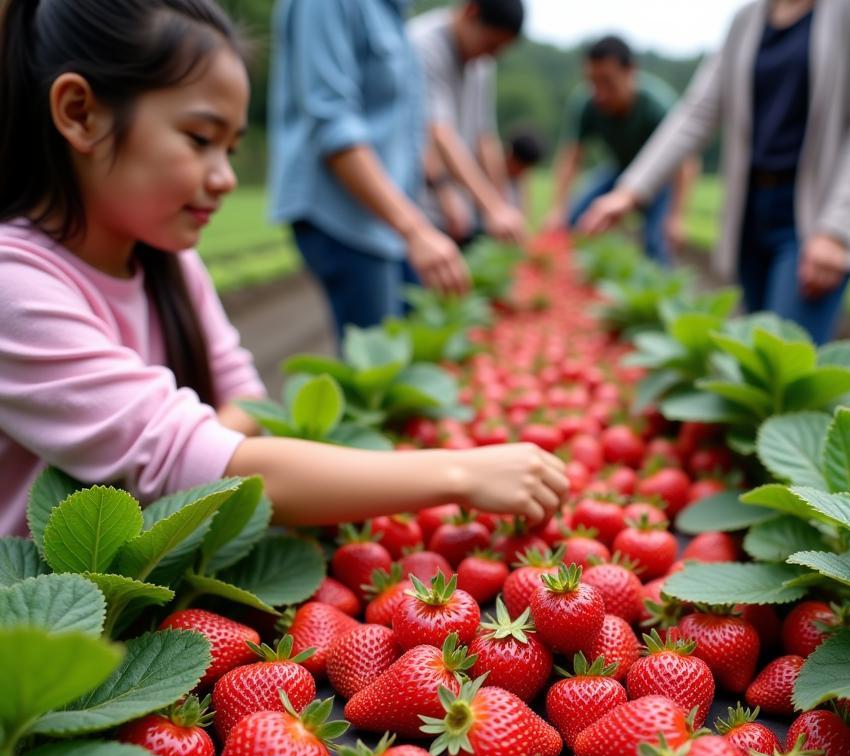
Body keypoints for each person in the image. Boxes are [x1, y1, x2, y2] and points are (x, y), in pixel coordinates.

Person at [0, 0, 569, 541]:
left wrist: (203, 453)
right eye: (199, 139)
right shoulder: (15, 284)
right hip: (45, 622)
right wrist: (458, 475)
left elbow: (245, 400)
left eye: (230, 147)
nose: (224, 176)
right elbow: (190, 460)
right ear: (80, 113)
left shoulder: (169, 261)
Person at [580, 0, 850, 346]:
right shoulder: (748, 19)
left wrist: (835, 231)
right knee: (758, 355)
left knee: (787, 359)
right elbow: (697, 112)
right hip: (752, 211)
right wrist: (629, 191)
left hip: (815, 215)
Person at [267, 0, 470, 336]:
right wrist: (415, 229)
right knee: (374, 362)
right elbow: (332, 124)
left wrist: (436, 193)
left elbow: (408, 126)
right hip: (341, 213)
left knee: (399, 342)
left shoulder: (393, 11)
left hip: (385, 220)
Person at [545, 35, 701, 266]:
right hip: (618, 170)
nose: (600, 92)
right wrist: (558, 208)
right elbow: (571, 157)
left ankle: (660, 293)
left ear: (631, 71)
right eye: (593, 81)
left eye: (607, 81)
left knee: (656, 242)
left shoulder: (656, 105)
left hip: (659, 181)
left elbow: (685, 162)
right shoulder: (587, 104)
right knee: (575, 219)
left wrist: (676, 217)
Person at [411, 0, 527, 248]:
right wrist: (492, 208)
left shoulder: (482, 62)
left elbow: (484, 138)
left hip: (455, 204)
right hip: (415, 199)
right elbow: (439, 134)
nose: (492, 55)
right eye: (491, 45)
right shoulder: (423, 45)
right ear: (471, 12)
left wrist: (501, 203)